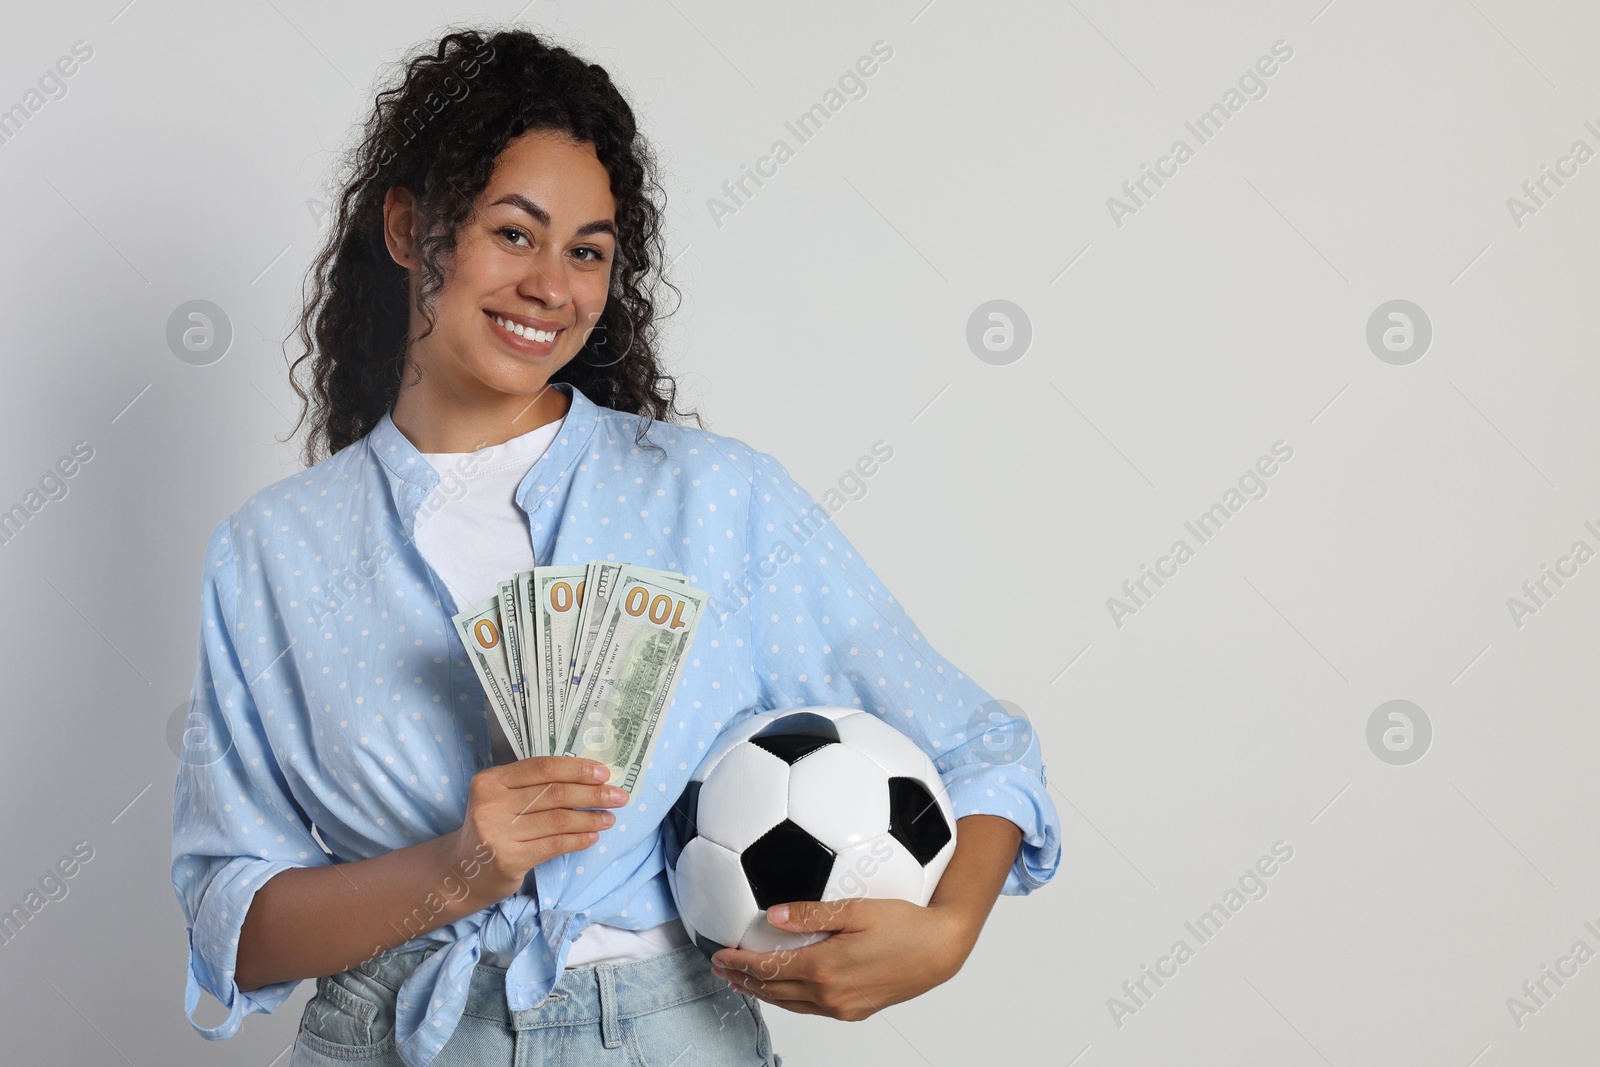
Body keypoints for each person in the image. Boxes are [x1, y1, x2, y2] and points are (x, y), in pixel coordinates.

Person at [169, 26, 1060, 1067]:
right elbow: (233, 914)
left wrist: (945, 932)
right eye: (514, 232)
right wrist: (456, 869)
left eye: (586, 250)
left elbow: (982, 747)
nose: (552, 285)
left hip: (663, 1033)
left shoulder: (716, 498)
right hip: (390, 1036)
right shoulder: (270, 552)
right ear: (412, 230)